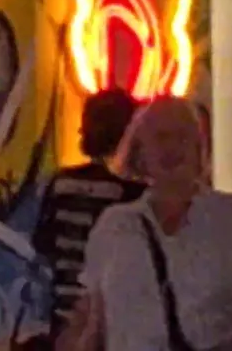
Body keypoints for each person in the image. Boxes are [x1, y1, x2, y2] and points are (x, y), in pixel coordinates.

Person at [62, 96, 232, 350]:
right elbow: (95, 318)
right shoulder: (115, 226)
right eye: (161, 137)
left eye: (182, 137)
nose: (171, 147)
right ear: (140, 152)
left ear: (200, 148)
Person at [32, 89, 146, 345]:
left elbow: (43, 244)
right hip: (112, 323)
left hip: (64, 317)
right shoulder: (133, 194)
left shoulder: (61, 183)